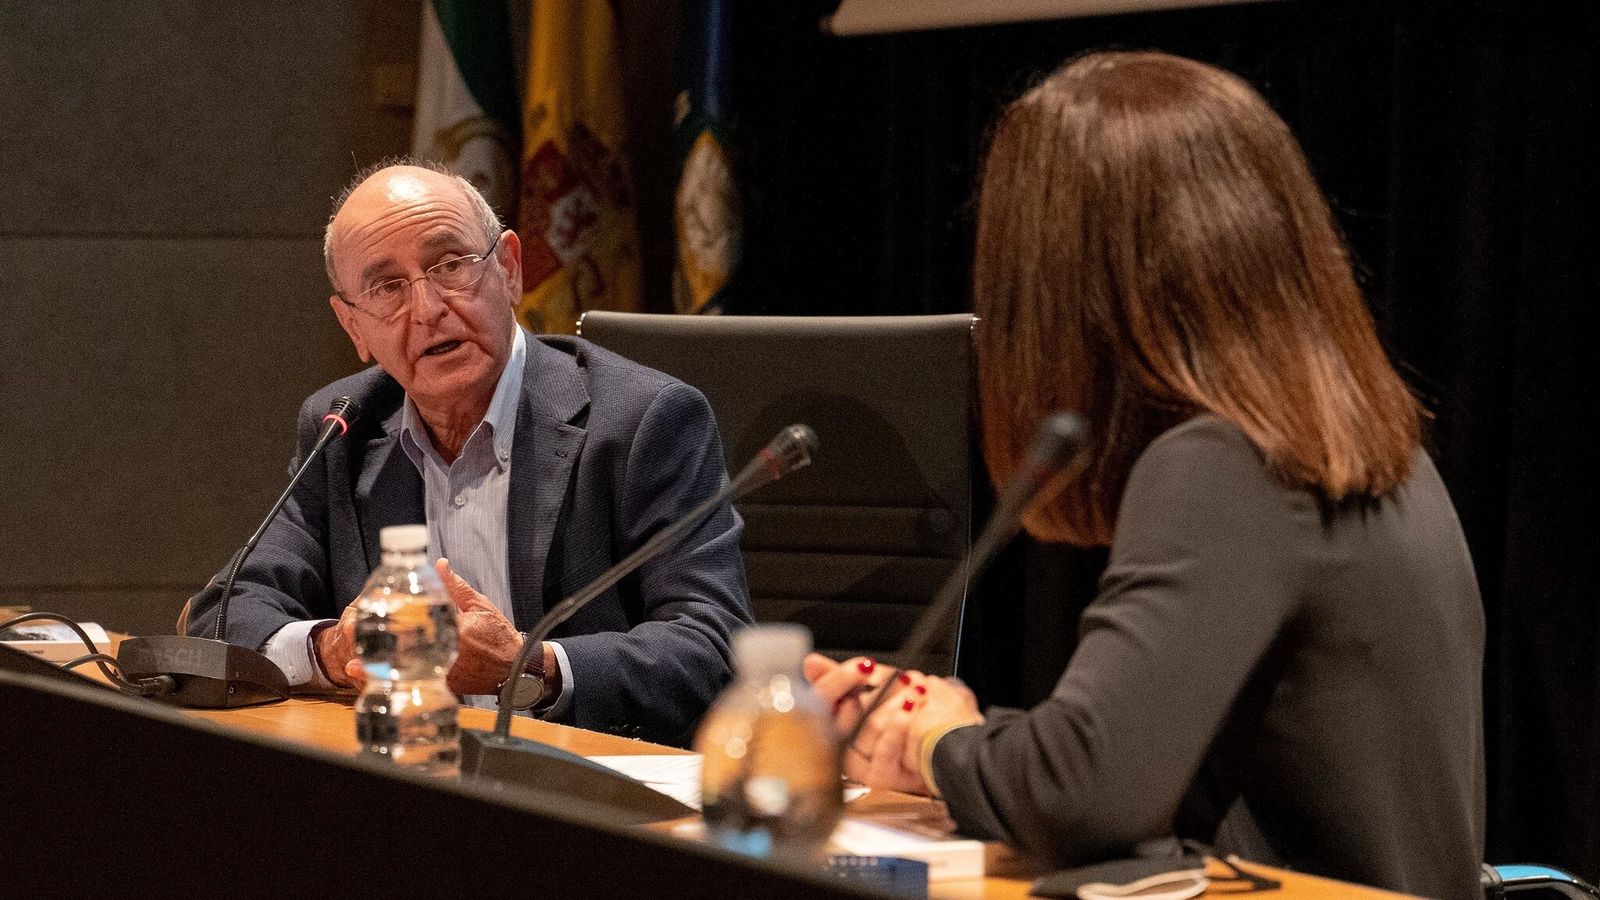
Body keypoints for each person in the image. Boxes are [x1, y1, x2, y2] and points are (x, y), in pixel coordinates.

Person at [805, 51, 1485, 897]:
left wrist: (938, 741)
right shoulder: (1362, 448)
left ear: (1057, 288)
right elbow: (1136, 765)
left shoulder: (1227, 464)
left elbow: (1083, 795)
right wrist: (947, 739)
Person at [186, 161, 752, 746]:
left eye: (450, 264)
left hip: (587, 777)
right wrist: (339, 648)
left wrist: (531, 664)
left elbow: (715, 646)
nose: (427, 308)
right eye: (387, 287)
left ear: (509, 269)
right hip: (413, 767)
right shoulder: (343, 428)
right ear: (353, 327)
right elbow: (222, 614)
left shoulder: (643, 420)